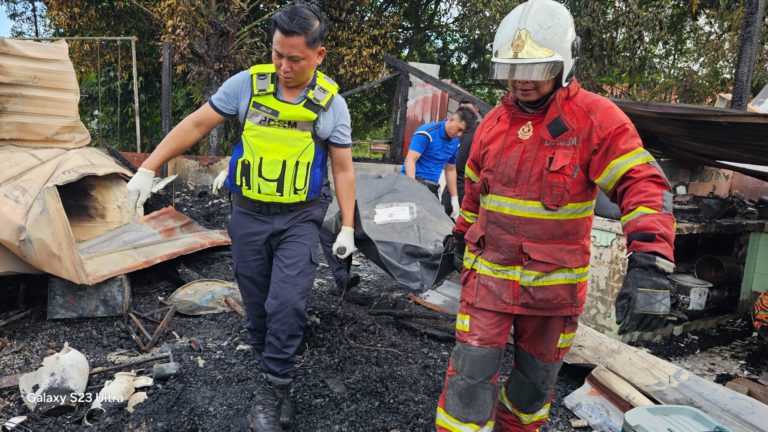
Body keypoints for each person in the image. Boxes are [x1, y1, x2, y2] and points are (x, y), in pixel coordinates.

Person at [435, 1, 677, 431]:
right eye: (513, 70)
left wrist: (651, 262)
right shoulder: (491, 125)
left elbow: (642, 183)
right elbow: (474, 194)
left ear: (564, 63)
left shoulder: (595, 121)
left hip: (552, 295)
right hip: (488, 280)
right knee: (468, 381)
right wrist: (459, 235)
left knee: (532, 390)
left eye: (535, 70)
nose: (521, 82)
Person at [127, 3, 355, 431]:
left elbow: (343, 167)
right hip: (247, 214)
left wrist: (346, 225)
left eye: (295, 59)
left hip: (300, 218)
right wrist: (147, 167)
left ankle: (272, 391)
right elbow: (196, 124)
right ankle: (276, 377)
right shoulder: (247, 86)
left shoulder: (330, 104)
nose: (283, 67)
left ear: (318, 55)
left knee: (287, 302)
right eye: (277, 55)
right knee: (257, 308)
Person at [400, 109, 471, 218]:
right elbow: (410, 160)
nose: (459, 134)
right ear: (452, 119)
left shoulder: (456, 142)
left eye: (463, 133)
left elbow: (450, 169)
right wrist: (412, 189)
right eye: (459, 129)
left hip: (431, 187)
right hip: (410, 182)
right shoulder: (427, 132)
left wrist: (454, 199)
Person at [441, 101, 479, 217]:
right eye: (461, 109)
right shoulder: (452, 131)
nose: (464, 112)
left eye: (467, 109)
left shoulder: (479, 131)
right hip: (453, 181)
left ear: (476, 112)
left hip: (468, 183)